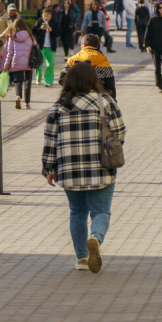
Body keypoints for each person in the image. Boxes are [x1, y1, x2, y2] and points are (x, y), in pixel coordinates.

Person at [42, 61, 127, 273]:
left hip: (70, 170)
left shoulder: (59, 106)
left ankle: (81, 258)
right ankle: (95, 239)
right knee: (101, 211)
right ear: (93, 79)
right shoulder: (105, 102)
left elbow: (50, 140)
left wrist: (49, 168)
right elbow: (120, 132)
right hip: (101, 167)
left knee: (77, 212)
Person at [2, 16, 37, 110]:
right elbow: (36, 47)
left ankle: (18, 97)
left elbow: (10, 52)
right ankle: (27, 103)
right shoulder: (30, 36)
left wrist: (6, 65)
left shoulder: (11, 36)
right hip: (29, 62)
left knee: (18, 81)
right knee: (28, 82)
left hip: (16, 62)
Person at [33, 6, 59, 88]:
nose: (46, 17)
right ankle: (38, 78)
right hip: (40, 46)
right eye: (44, 15)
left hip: (51, 46)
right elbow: (34, 31)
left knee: (50, 64)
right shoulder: (39, 21)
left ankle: (48, 81)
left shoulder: (54, 22)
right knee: (39, 63)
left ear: (51, 15)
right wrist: (40, 29)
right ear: (42, 15)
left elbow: (59, 33)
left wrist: (52, 31)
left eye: (48, 15)